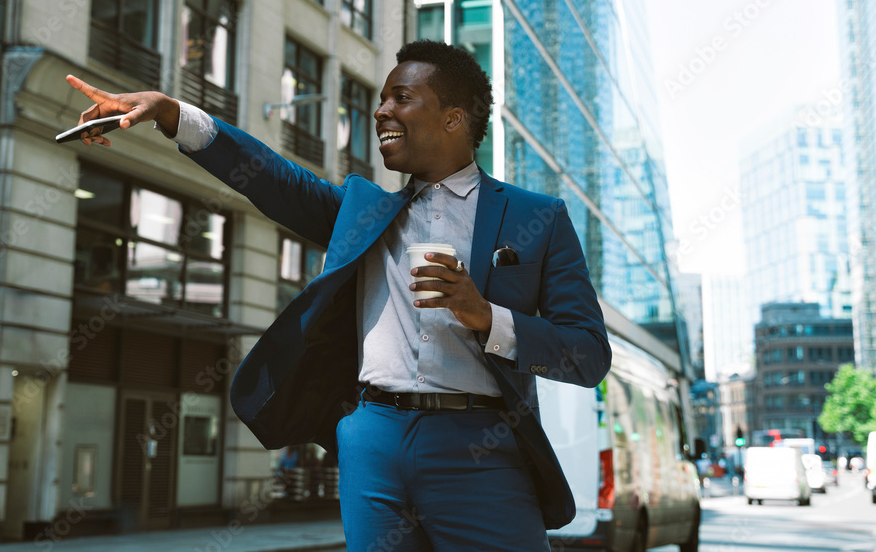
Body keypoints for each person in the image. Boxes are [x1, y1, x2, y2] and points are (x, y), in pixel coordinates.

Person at [66, 40, 611, 551]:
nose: (380, 111)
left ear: (454, 118)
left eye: (402, 97)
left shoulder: (538, 218)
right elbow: (271, 180)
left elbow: (587, 353)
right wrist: (170, 113)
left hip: (482, 443)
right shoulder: (363, 209)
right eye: (380, 100)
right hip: (372, 439)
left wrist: (488, 316)